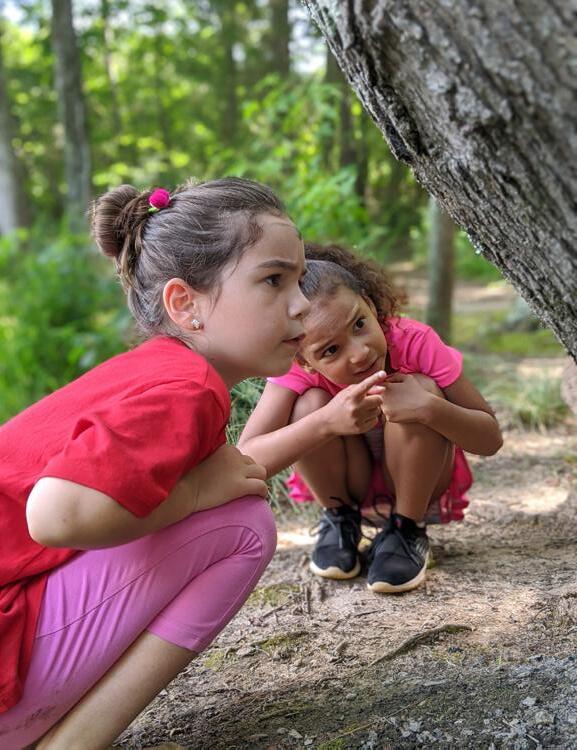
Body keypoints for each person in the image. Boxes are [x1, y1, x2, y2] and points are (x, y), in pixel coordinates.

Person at [0, 178, 309, 750]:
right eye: (274, 280)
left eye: (300, 280)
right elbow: (54, 514)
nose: (303, 304)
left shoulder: (157, 373)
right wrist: (195, 495)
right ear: (185, 304)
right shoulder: (185, 387)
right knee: (242, 526)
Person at [239, 243, 503, 594]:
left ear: (370, 304)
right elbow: (247, 460)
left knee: (422, 388)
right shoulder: (296, 370)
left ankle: (406, 530)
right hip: (350, 481)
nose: (360, 352)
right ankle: (340, 521)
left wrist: (429, 408)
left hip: (419, 479)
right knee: (310, 405)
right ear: (303, 360)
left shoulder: (415, 343)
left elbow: (490, 439)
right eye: (331, 350)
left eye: (359, 324)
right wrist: (326, 422)